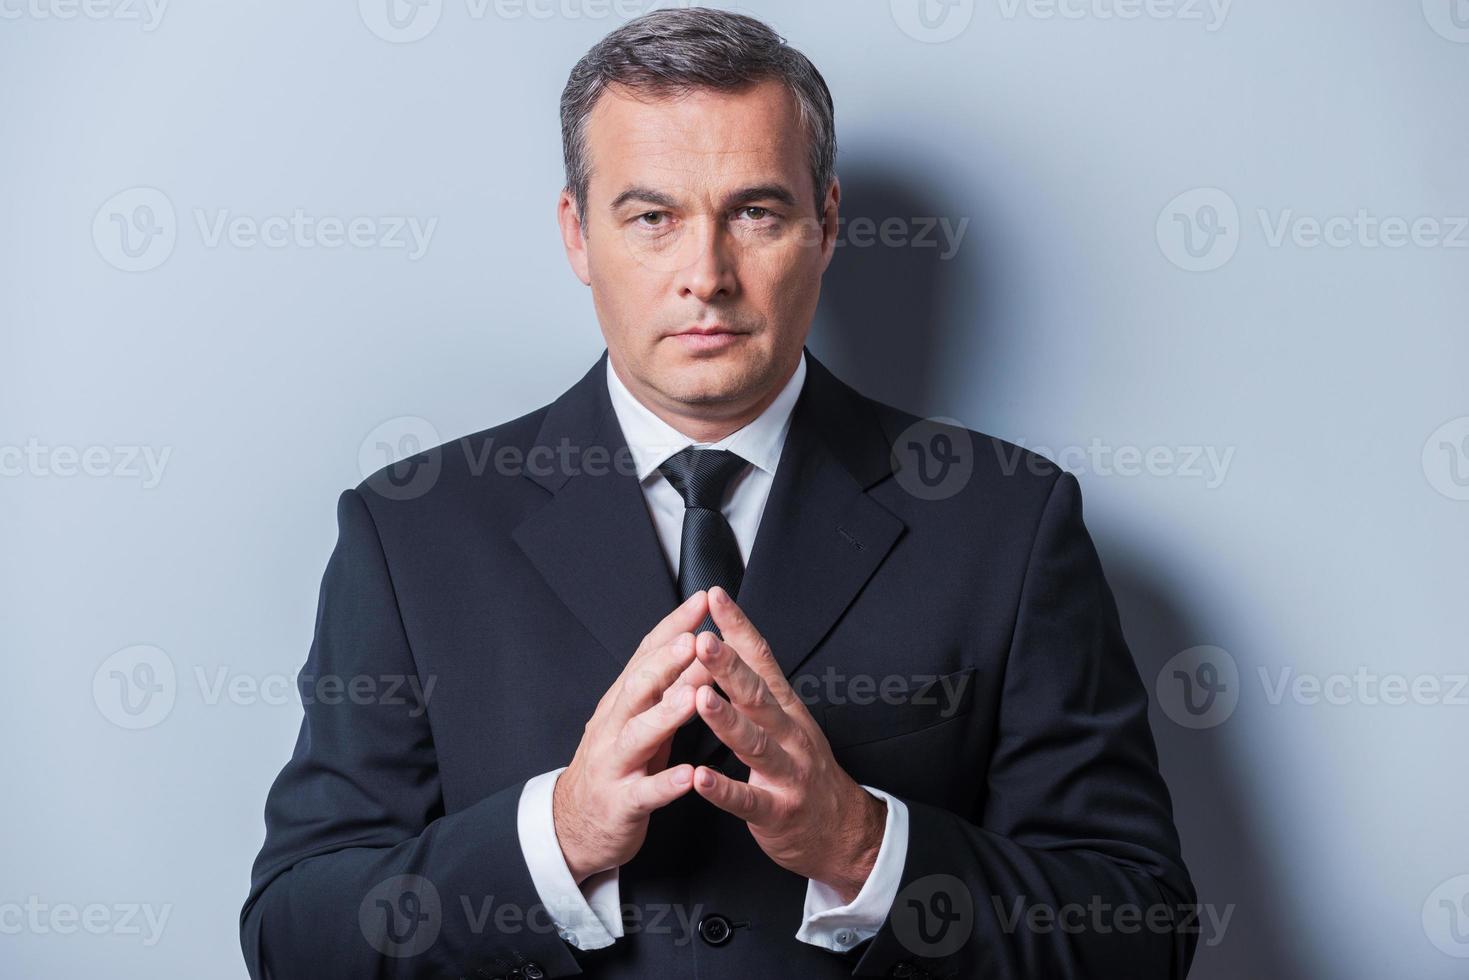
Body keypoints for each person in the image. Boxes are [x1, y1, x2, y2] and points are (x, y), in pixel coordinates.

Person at [241, 8, 1197, 978]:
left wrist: (862, 844)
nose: (705, 276)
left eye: (755, 213)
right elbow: (296, 936)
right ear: (578, 234)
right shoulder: (410, 533)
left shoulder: (1009, 524)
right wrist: (551, 840)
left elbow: (1139, 931)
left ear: (823, 226)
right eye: (651, 217)